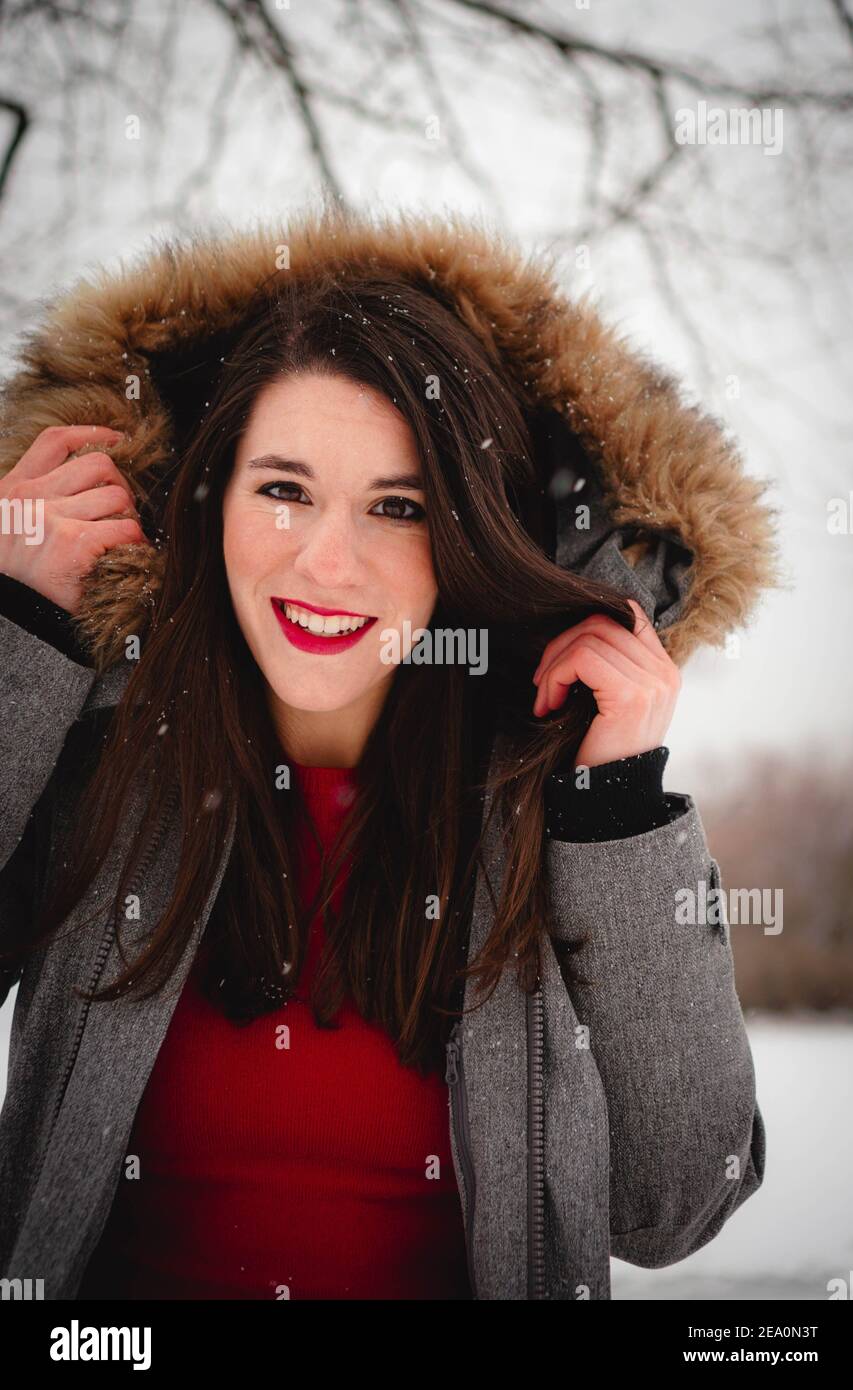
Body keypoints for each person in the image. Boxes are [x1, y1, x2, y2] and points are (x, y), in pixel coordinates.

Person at [0, 203, 777, 1300]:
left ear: (468, 538)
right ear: (209, 503)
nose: (328, 562)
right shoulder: (102, 763)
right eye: (284, 489)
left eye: (398, 506)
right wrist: (19, 638)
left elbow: (677, 1203)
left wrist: (614, 803)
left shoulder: (538, 809)